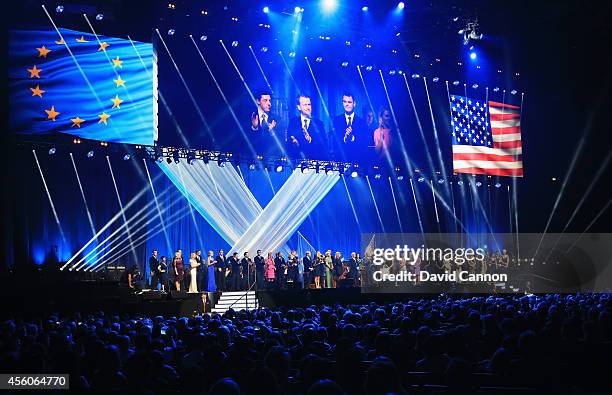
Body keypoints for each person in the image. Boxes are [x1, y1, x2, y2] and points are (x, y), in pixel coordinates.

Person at [286, 94, 326, 159]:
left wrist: (310, 140)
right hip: (297, 161)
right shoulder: (293, 122)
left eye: (309, 104)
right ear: (299, 107)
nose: (308, 108)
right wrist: (294, 144)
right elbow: (288, 144)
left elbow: (323, 147)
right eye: (305, 105)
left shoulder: (319, 124)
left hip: (313, 162)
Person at [332, 93, 368, 159]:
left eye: (349, 102)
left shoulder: (361, 122)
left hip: (357, 159)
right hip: (341, 159)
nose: (347, 104)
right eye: (344, 102)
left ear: (354, 104)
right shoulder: (336, 121)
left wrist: (352, 138)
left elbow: (364, 143)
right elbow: (335, 142)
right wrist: (345, 138)